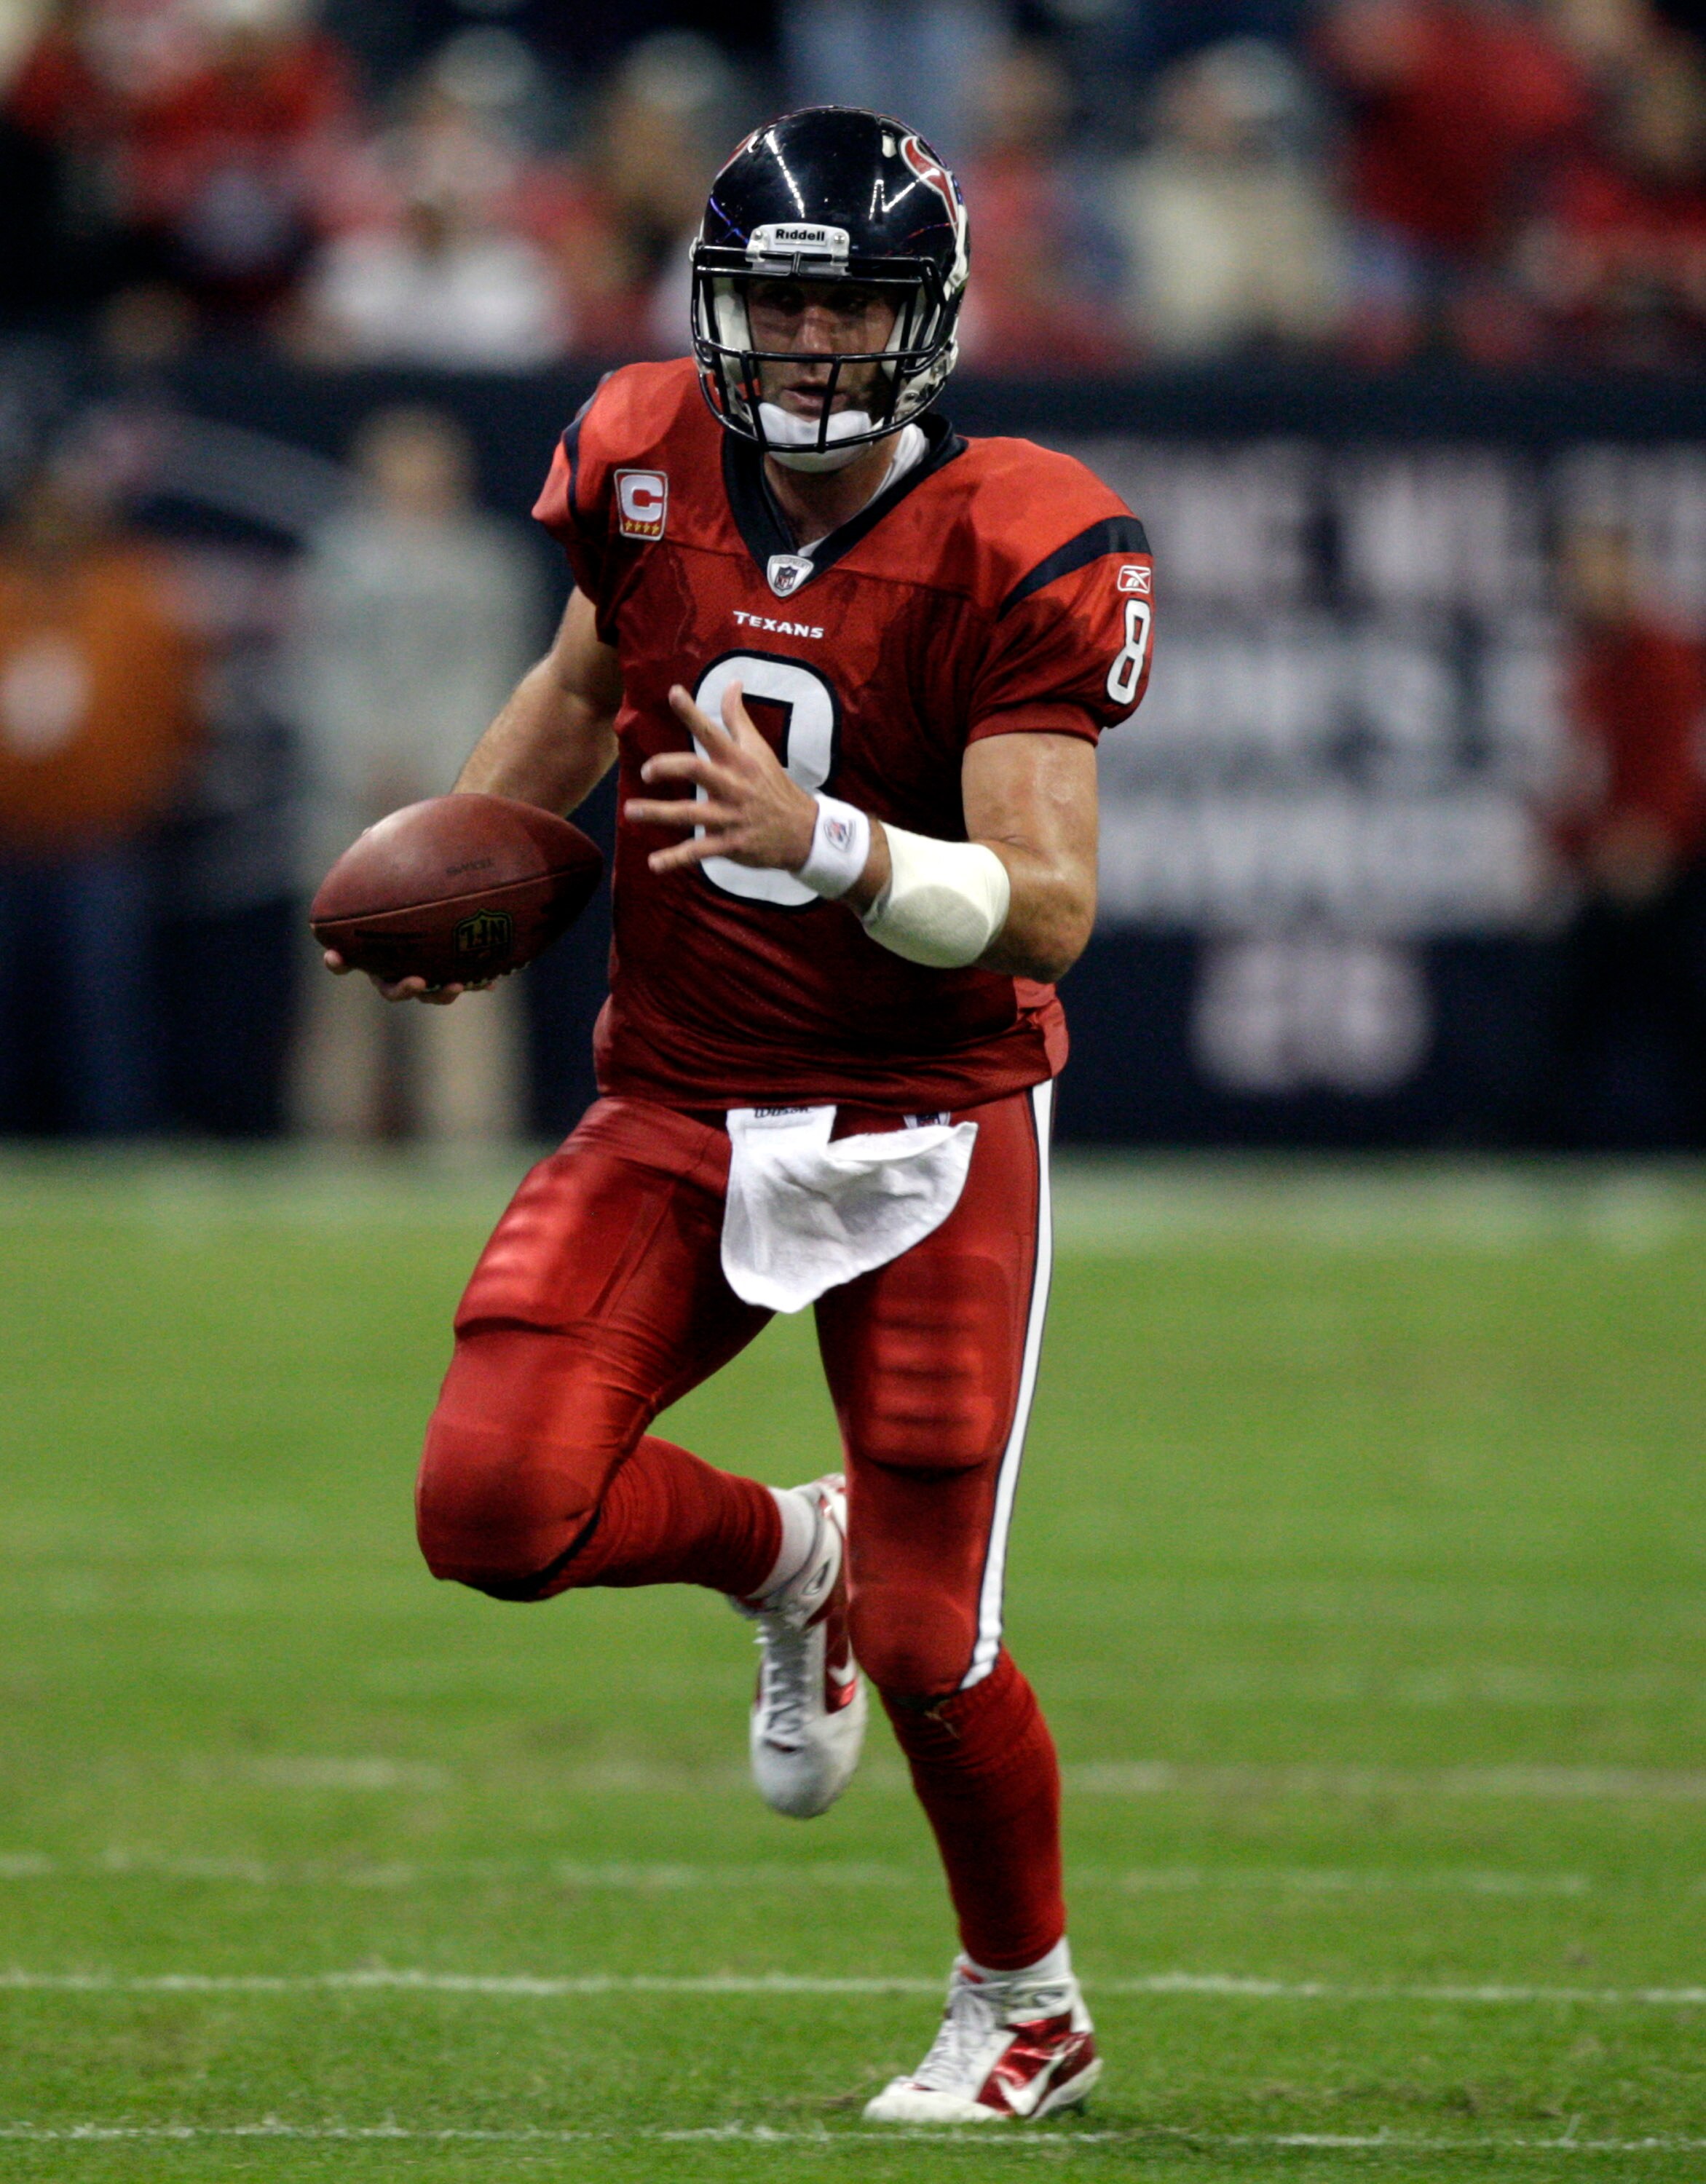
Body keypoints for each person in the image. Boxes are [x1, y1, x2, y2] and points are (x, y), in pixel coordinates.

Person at [323, 107, 1153, 2119]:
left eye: (847, 307)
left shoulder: (1022, 530)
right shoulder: (634, 450)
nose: (800, 348)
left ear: (926, 321)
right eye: (774, 302)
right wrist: (476, 858)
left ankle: (1020, 2003)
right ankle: (784, 1559)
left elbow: (1044, 908)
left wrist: (835, 842)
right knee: (491, 1509)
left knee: (938, 1640)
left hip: (926, 1119)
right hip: (680, 1096)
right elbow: (581, 685)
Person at [293, 405, 542, 1139]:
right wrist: (364, 762)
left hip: (457, 808)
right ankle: (333, 1136)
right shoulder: (335, 559)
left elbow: (502, 683)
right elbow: (317, 676)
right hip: (350, 804)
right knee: (341, 987)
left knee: (467, 987)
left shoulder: (491, 564)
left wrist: (445, 777)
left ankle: (467, 1135)